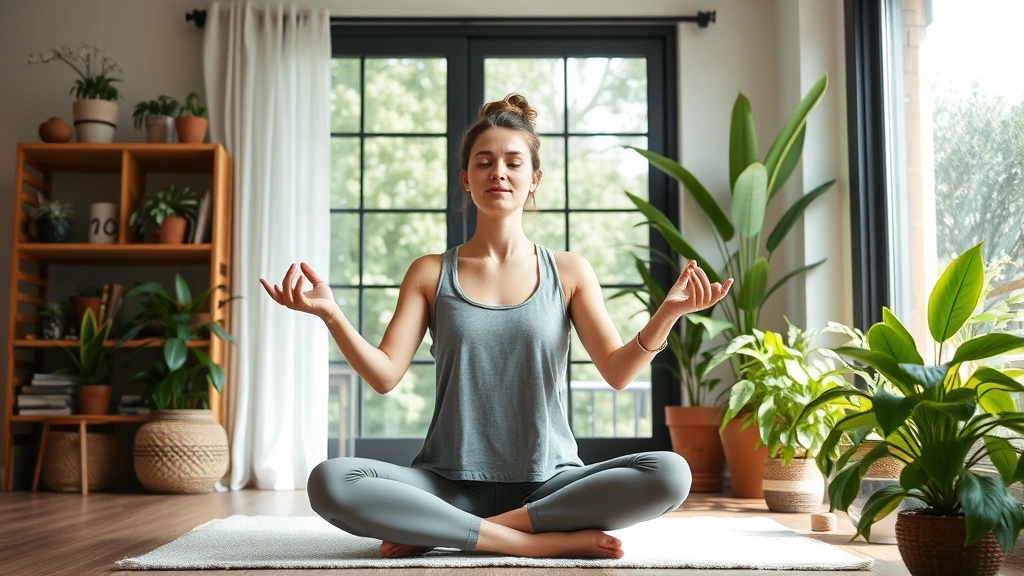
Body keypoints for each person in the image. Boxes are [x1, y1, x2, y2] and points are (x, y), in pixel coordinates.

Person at [260, 93, 733, 560]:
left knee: (671, 473)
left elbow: (617, 371)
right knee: (331, 480)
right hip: (445, 484)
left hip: (549, 485)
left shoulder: (569, 272)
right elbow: (385, 376)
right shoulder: (429, 272)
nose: (498, 173)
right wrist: (331, 315)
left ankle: (470, 533)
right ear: (466, 179)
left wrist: (667, 313)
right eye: (484, 162)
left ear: (534, 180)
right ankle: (537, 544)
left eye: (513, 162)